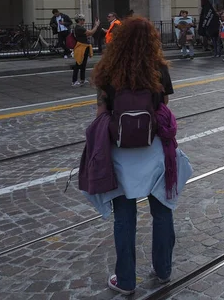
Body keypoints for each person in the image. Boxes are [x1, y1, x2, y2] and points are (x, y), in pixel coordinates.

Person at [80, 16, 192, 296]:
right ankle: (163, 270)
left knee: (124, 218)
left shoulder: (107, 70)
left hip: (119, 154)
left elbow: (100, 114)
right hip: (154, 152)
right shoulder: (158, 70)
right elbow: (164, 109)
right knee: (162, 211)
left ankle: (126, 280)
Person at [72, 15, 100, 87]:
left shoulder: (79, 28)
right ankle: (74, 81)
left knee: (83, 64)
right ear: (79, 20)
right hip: (81, 47)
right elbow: (90, 32)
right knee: (78, 64)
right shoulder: (79, 28)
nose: (84, 21)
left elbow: (87, 34)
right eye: (83, 20)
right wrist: (96, 26)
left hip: (84, 47)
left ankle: (82, 79)